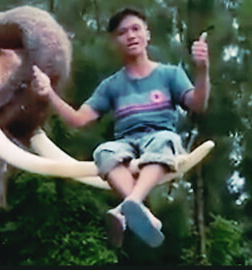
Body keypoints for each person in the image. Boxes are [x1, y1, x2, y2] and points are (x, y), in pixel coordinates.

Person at [31, 7, 210, 248]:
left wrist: (202, 69)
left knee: (164, 140)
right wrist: (49, 93)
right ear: (115, 42)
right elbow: (78, 120)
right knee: (103, 152)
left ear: (147, 35)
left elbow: (198, 104)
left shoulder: (170, 74)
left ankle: (128, 206)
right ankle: (140, 211)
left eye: (136, 29)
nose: (130, 35)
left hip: (159, 139)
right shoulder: (111, 86)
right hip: (126, 146)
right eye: (122, 32)